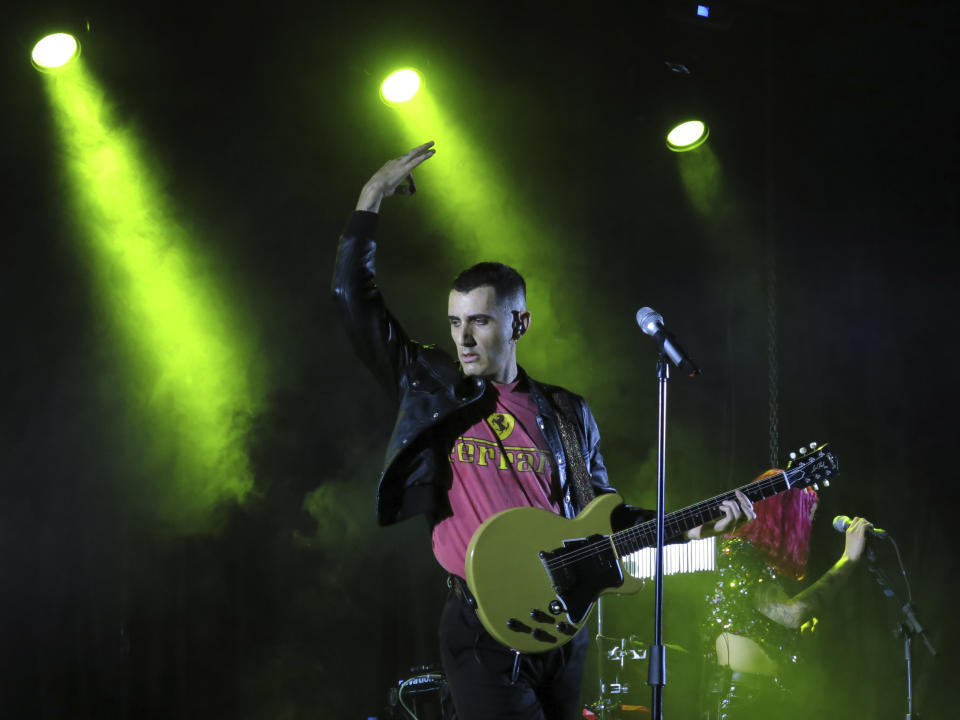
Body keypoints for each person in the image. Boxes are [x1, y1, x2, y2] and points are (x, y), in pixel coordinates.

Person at [332, 141, 757, 720]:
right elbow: (356, 301)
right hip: (480, 625)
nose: (463, 337)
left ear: (519, 322)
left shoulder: (566, 413)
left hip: (562, 622)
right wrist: (371, 195)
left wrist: (693, 527)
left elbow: (603, 518)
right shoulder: (431, 385)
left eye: (479, 320)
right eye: (455, 322)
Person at [700, 470, 875, 719]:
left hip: (768, 698)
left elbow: (767, 623)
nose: (807, 527)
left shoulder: (761, 565)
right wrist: (848, 559)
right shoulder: (740, 552)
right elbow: (791, 615)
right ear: (783, 516)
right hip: (742, 701)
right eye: (805, 517)